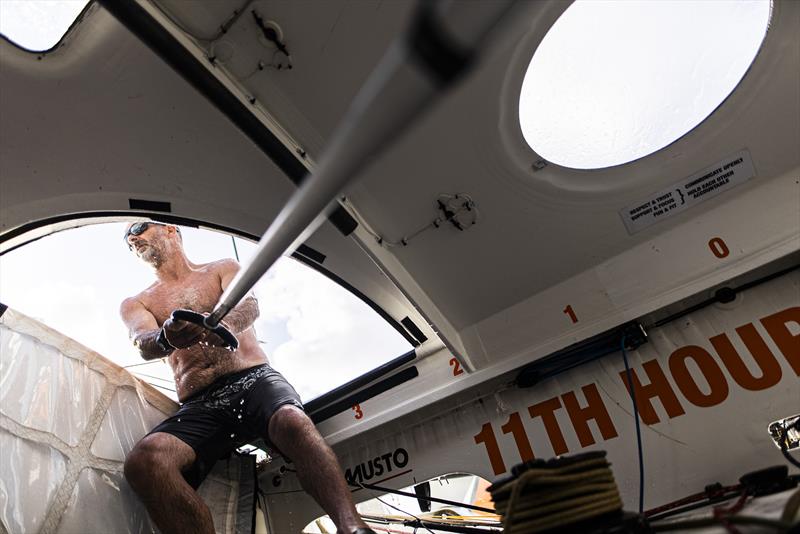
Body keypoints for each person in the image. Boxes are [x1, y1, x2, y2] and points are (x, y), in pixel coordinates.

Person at [119, 221, 374, 534]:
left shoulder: (222, 268)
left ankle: (352, 527)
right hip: (201, 404)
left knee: (292, 421)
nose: (132, 238)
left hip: (253, 380)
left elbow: (249, 306)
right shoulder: (138, 302)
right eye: (127, 239)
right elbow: (142, 341)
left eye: (139, 228)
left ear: (170, 229)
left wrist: (219, 327)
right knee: (144, 463)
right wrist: (166, 338)